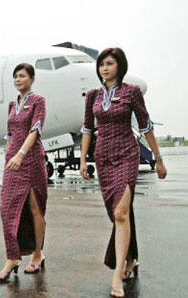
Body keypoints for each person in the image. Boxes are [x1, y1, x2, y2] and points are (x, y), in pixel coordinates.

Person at [79, 48, 167, 297]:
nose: (105, 68)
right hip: (103, 157)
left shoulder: (132, 92)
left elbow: (145, 125)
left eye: (110, 63)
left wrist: (158, 158)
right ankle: (131, 257)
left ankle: (117, 274)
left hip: (127, 154)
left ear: (120, 66)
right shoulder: (93, 96)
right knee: (118, 214)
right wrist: (84, 159)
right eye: (101, 64)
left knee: (120, 213)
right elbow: (87, 128)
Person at [0, 63, 48, 281]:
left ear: (32, 79)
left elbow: (35, 129)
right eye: (15, 76)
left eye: (22, 76)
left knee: (35, 208)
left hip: (31, 159)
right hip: (13, 161)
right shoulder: (11, 105)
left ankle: (37, 254)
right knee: (5, 207)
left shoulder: (38, 101)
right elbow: (9, 134)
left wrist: (21, 154)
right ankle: (13, 256)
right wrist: (10, 155)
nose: (18, 80)